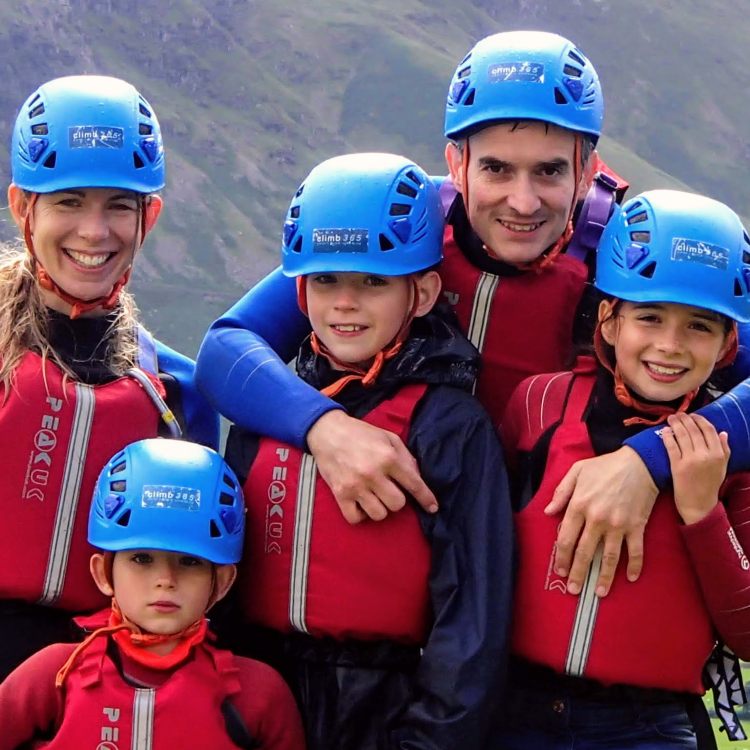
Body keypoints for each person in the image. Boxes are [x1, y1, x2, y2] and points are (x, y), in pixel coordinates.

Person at [195, 30, 678, 600]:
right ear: (456, 161)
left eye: (548, 172)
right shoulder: (401, 222)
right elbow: (226, 350)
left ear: (587, 166)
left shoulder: (632, 257)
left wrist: (649, 461)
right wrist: (325, 429)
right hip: (408, 579)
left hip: (545, 587)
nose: (522, 203)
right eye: (496, 169)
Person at [223, 153, 512, 750]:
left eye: (374, 281)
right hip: (257, 701)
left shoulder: (451, 426)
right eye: (326, 279)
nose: (345, 302)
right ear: (299, 290)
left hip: (386, 713)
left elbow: (473, 620)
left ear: (424, 291)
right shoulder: (266, 412)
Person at [497, 189, 750, 749]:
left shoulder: (731, 453)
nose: (669, 345)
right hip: (513, 712)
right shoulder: (539, 405)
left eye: (700, 327)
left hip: (648, 726)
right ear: (608, 321)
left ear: (729, 343)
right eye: (650, 316)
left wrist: (702, 513)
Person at [0, 75, 218, 680]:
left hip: (96, 694)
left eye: (119, 204)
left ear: (150, 214)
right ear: (23, 205)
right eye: (68, 200)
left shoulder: (176, 392)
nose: (94, 232)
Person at [0, 438, 305, 750]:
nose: (165, 580)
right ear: (103, 574)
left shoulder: (257, 695)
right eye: (142, 559)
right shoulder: (53, 676)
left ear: (222, 583)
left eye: (190, 561)